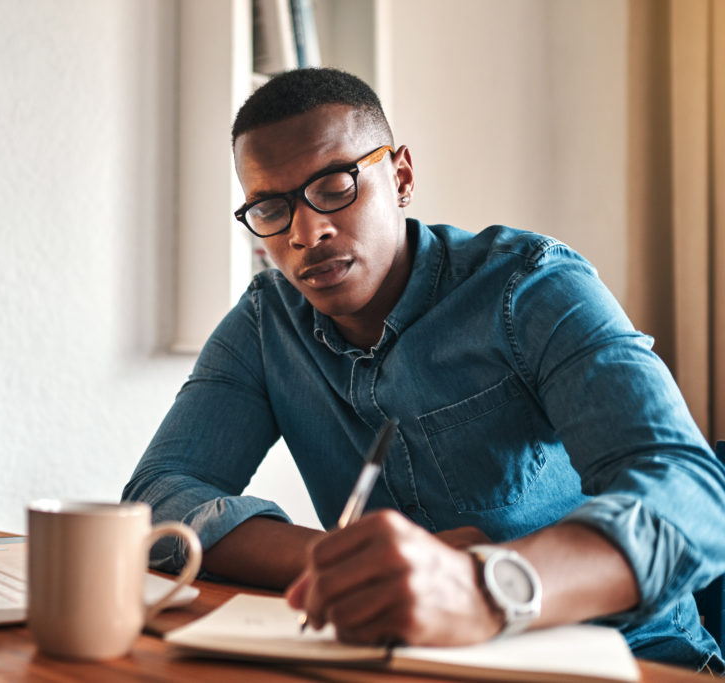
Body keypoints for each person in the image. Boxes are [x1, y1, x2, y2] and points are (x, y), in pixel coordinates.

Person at [122, 67, 725, 672]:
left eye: (334, 186)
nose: (307, 232)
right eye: (271, 208)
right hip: (400, 660)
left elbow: (693, 496)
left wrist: (483, 587)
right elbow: (157, 496)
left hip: (630, 659)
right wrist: (354, 567)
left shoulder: (532, 287)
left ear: (401, 176)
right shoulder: (264, 323)